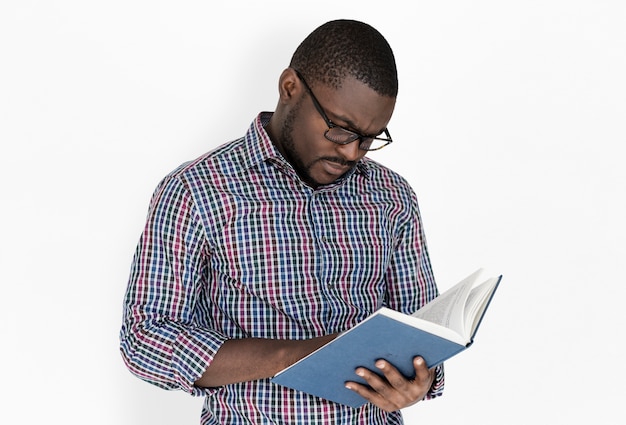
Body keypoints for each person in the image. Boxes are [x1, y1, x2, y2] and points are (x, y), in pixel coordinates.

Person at [120, 19, 444, 424]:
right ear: (290, 87)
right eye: (341, 130)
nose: (353, 153)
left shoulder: (392, 196)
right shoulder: (195, 191)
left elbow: (422, 329)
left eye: (370, 137)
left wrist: (420, 380)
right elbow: (144, 341)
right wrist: (298, 355)